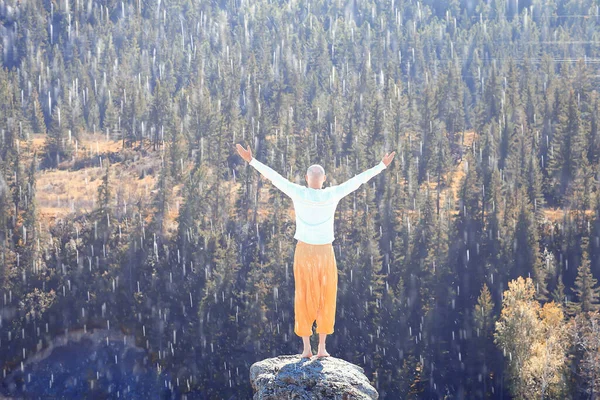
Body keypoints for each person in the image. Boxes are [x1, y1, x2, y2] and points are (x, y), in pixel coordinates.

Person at [235, 143, 395, 358]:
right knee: (325, 297)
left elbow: (274, 177)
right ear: (325, 179)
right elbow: (357, 181)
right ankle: (322, 348)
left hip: (303, 251)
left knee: (303, 296)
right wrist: (381, 166)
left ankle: (306, 349)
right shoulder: (332, 194)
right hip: (324, 252)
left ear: (306, 178)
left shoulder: (298, 192)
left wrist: (251, 160)